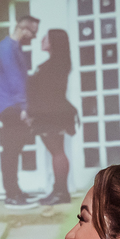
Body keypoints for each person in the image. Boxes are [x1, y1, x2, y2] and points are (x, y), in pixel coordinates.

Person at [0, 15, 39, 210]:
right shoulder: (7, 48)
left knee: (14, 150)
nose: (34, 37)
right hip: (11, 107)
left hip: (11, 105)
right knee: (11, 151)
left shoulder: (13, 47)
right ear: (24, 29)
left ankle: (15, 191)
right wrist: (24, 107)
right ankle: (11, 195)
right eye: (33, 33)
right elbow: (15, 80)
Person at [26, 28, 77, 207]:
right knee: (58, 152)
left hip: (50, 115)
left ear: (54, 42)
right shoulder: (58, 63)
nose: (42, 40)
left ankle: (61, 192)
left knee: (57, 152)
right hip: (54, 113)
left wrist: (32, 113)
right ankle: (61, 191)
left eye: (46, 38)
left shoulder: (53, 65)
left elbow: (46, 94)